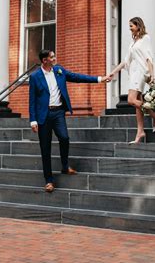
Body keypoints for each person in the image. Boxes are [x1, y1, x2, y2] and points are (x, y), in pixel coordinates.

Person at [29, 49, 111, 192]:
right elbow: (32, 100)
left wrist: (100, 79)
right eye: (52, 57)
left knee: (65, 138)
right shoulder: (35, 76)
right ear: (44, 60)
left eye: (54, 56)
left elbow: (77, 77)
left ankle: (65, 166)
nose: (54, 58)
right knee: (45, 148)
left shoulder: (59, 70)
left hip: (58, 112)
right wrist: (33, 120)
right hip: (44, 115)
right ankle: (48, 180)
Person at [109, 16, 155, 144]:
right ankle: (140, 131)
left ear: (138, 26)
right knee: (138, 103)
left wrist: (152, 76)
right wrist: (112, 73)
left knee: (131, 100)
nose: (130, 28)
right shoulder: (133, 42)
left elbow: (149, 58)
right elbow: (125, 61)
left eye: (131, 26)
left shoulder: (145, 38)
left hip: (141, 72)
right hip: (133, 73)